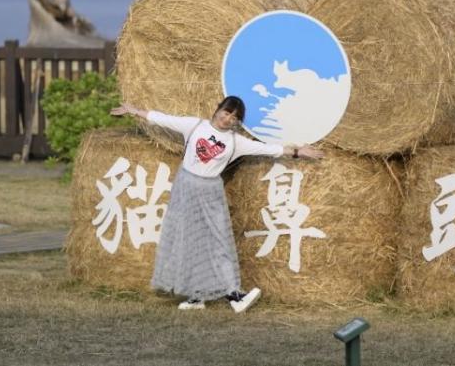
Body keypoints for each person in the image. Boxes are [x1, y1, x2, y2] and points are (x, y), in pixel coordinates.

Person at [110, 95, 323, 313]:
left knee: (220, 240)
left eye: (234, 117)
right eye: (227, 111)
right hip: (186, 187)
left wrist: (298, 151)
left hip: (210, 191)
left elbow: (269, 149)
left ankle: (235, 293)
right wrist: (134, 110)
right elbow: (163, 119)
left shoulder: (235, 142)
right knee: (190, 240)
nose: (228, 118)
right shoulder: (194, 126)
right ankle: (196, 296)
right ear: (218, 109)